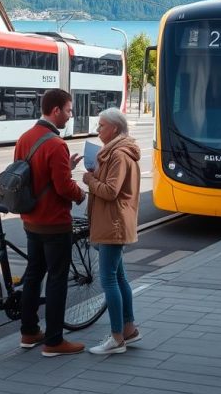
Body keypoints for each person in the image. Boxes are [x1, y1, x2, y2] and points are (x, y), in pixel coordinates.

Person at [16, 88, 87, 357]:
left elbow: (31, 177)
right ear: (55, 110)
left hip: (31, 220)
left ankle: (29, 331)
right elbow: (62, 187)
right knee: (57, 279)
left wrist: (63, 167)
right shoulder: (56, 144)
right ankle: (54, 341)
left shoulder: (25, 138)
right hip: (55, 224)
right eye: (68, 110)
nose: (70, 116)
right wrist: (81, 194)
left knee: (34, 275)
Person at [82, 108, 142, 355]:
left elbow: (110, 191)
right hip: (114, 221)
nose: (98, 130)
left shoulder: (118, 155)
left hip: (113, 223)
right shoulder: (119, 151)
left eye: (102, 126)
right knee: (119, 278)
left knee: (108, 279)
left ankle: (117, 338)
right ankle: (129, 329)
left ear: (115, 129)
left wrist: (90, 181)